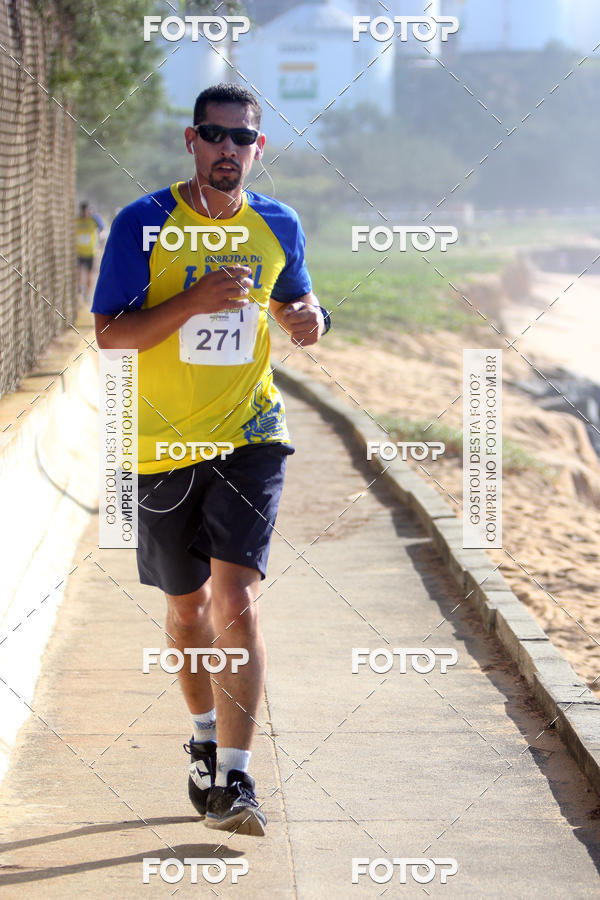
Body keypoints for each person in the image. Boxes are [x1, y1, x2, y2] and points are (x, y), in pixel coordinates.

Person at [91, 83, 330, 836]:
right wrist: (192, 303)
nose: (229, 150)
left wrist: (310, 319)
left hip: (251, 435)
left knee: (237, 602)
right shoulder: (144, 224)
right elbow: (110, 334)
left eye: (243, 138)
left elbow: (303, 308)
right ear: (190, 141)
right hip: (158, 445)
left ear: (259, 149)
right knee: (187, 608)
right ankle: (201, 738)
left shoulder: (278, 222)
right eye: (214, 135)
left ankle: (235, 778)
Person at [76, 202, 104, 301]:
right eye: (83, 211)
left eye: (86, 211)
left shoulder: (93, 220)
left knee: (89, 274)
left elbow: (101, 226)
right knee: (78, 272)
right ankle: (79, 287)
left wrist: (93, 215)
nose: (84, 213)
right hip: (79, 252)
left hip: (91, 252)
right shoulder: (77, 220)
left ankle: (87, 294)